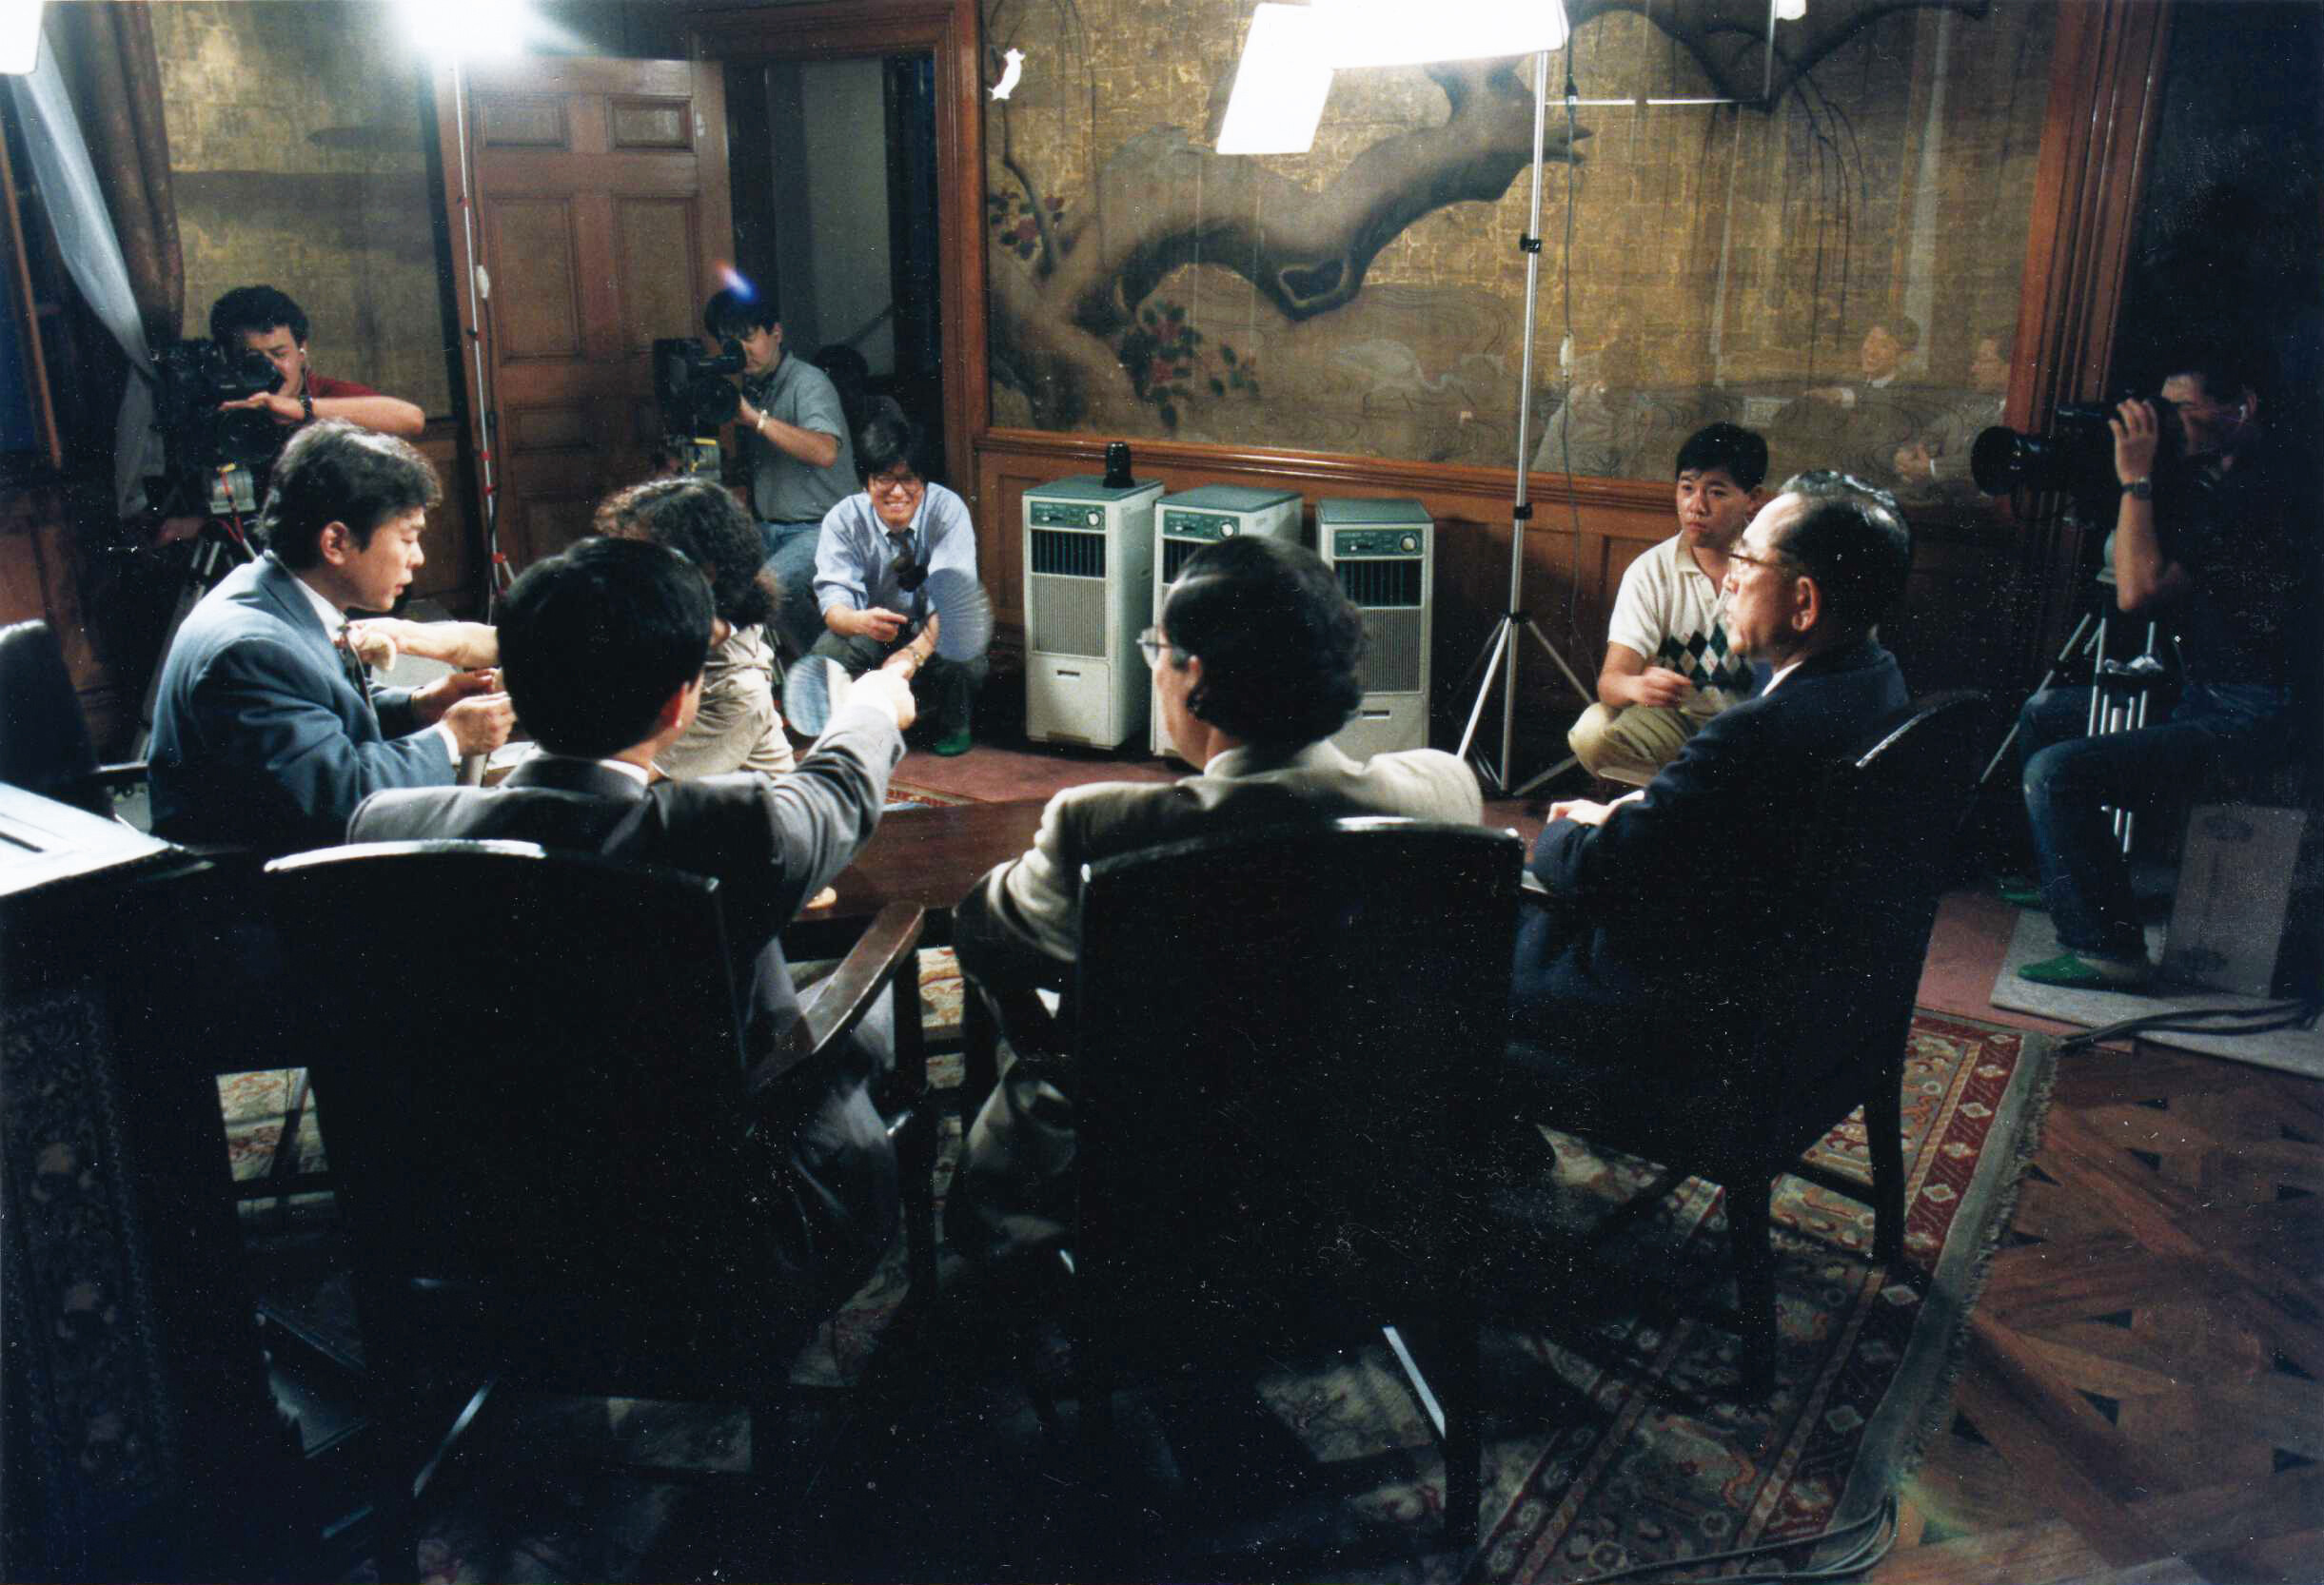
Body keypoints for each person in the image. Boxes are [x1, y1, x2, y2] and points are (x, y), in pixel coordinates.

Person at [347, 536, 919, 1307]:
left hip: (469, 1230)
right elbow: (840, 789)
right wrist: (874, 707)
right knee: (872, 1012)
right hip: (723, 1239)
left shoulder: (384, 826)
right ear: (679, 703)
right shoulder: (725, 830)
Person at [946, 535, 1484, 1264]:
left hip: (1153, 1157)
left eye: (1157, 648)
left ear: (1192, 671)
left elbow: (986, 931)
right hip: (1363, 1150)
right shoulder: (1446, 791)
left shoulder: (1101, 825)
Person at [1509, 472, 1914, 1088]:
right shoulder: (1880, 680)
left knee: (1448, 931)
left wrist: (1563, 835)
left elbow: (1604, 872)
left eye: (1746, 560)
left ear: (1804, 603)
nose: (1729, 578)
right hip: (1812, 1013)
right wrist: (1641, 812)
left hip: (1682, 1022)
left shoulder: (1752, 732)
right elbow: (1722, 831)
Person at [2013, 351, 2314, 990]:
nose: (2171, 424)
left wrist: (2136, 479)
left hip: (2260, 715)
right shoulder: (2221, 479)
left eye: (2183, 409)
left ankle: (2109, 950)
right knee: (2046, 716)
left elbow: (2137, 590)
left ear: (2242, 407)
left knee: (2057, 772)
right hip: (2209, 694)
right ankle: (2075, 885)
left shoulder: (2265, 492)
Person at [148, 421, 512, 854]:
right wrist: (450, 738)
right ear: (335, 541)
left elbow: (315, 703)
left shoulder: (267, 591)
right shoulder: (253, 650)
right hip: (264, 882)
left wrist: (418, 706)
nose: (418, 558)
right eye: (408, 538)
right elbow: (343, 802)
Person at [1567, 422, 1769, 785]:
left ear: (1752, 499)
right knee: (1592, 730)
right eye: (1687, 488)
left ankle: (1690, 793)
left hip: (1750, 729)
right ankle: (1697, 791)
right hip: (1677, 727)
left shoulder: (1770, 569)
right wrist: (1636, 686)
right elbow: (1610, 682)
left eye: (1716, 492)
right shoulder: (1650, 571)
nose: (1696, 506)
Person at [810, 406, 988, 756]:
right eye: (884, 479)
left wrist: (913, 653)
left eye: (909, 479)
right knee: (828, 654)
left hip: (934, 627)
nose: (897, 492)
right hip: (874, 627)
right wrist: (858, 621)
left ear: (924, 482)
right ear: (866, 483)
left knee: (965, 653)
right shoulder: (842, 519)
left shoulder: (948, 510)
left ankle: (954, 723)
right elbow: (834, 605)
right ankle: (852, 726)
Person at [706, 287, 857, 658]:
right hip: (770, 528)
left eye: (748, 338)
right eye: (730, 343)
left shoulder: (808, 382)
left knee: (767, 590)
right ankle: (821, 665)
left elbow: (825, 451)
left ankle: (830, 668)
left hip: (825, 526)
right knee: (714, 580)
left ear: (776, 333)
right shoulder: (752, 386)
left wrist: (756, 420)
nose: (741, 351)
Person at [208, 284, 425, 440]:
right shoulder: (222, 403)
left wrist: (301, 408)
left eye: (279, 354)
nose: (268, 368)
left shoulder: (327, 393)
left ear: (302, 350)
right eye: (251, 359)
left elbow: (411, 419)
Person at [1894, 332, 2010, 495]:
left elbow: (1984, 459)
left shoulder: (2021, 415)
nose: (1973, 369)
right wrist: (1909, 452)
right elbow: (1934, 431)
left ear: (2010, 367)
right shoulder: (1976, 402)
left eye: (1984, 360)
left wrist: (1931, 468)